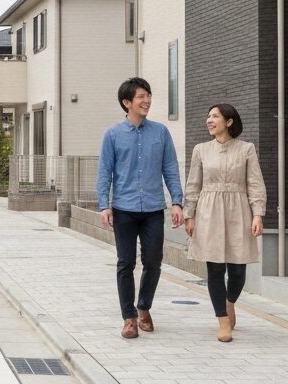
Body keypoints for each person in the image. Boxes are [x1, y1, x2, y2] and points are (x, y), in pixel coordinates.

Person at [96, 77, 184, 339]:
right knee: (125, 263)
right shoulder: (112, 134)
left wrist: (177, 201)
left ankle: (143, 306)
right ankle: (129, 318)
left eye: (148, 95)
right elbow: (105, 172)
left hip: (154, 209)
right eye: (141, 97)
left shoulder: (160, 132)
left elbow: (170, 168)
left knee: (153, 261)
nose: (147, 101)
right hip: (123, 208)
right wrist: (104, 205)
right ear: (127, 102)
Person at [183, 103, 266, 343]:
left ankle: (229, 303)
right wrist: (190, 214)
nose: (209, 120)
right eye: (208, 116)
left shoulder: (246, 149)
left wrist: (258, 213)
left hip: (239, 210)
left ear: (229, 122)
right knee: (215, 269)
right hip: (209, 211)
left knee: (238, 269)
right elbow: (193, 184)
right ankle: (222, 320)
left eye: (215, 116)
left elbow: (255, 183)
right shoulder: (201, 149)